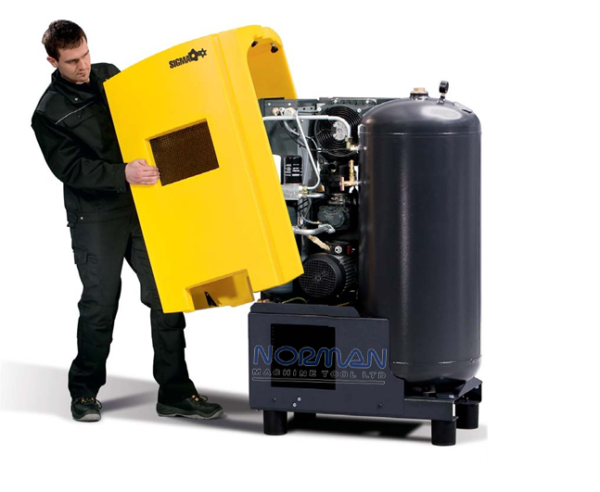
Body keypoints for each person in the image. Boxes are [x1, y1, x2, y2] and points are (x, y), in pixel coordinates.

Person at [31, 20, 223, 422]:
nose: (83, 65)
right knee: (100, 304)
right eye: (72, 61)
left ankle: (175, 392)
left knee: (167, 294)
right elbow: (71, 169)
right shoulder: (48, 113)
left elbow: (147, 116)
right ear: (52, 61)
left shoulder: (110, 76)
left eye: (85, 54)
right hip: (95, 215)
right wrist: (123, 173)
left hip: (141, 203)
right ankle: (84, 392)